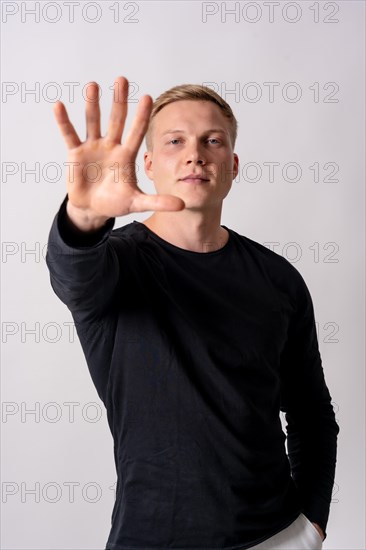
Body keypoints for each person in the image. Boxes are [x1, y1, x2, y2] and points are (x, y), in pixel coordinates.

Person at [46, 76, 339, 550]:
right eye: (175, 141)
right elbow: (73, 272)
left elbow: (312, 414)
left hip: (276, 535)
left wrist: (311, 526)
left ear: (233, 164)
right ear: (147, 164)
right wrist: (86, 218)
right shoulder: (117, 265)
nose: (195, 154)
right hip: (151, 538)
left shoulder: (278, 278)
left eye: (212, 140)